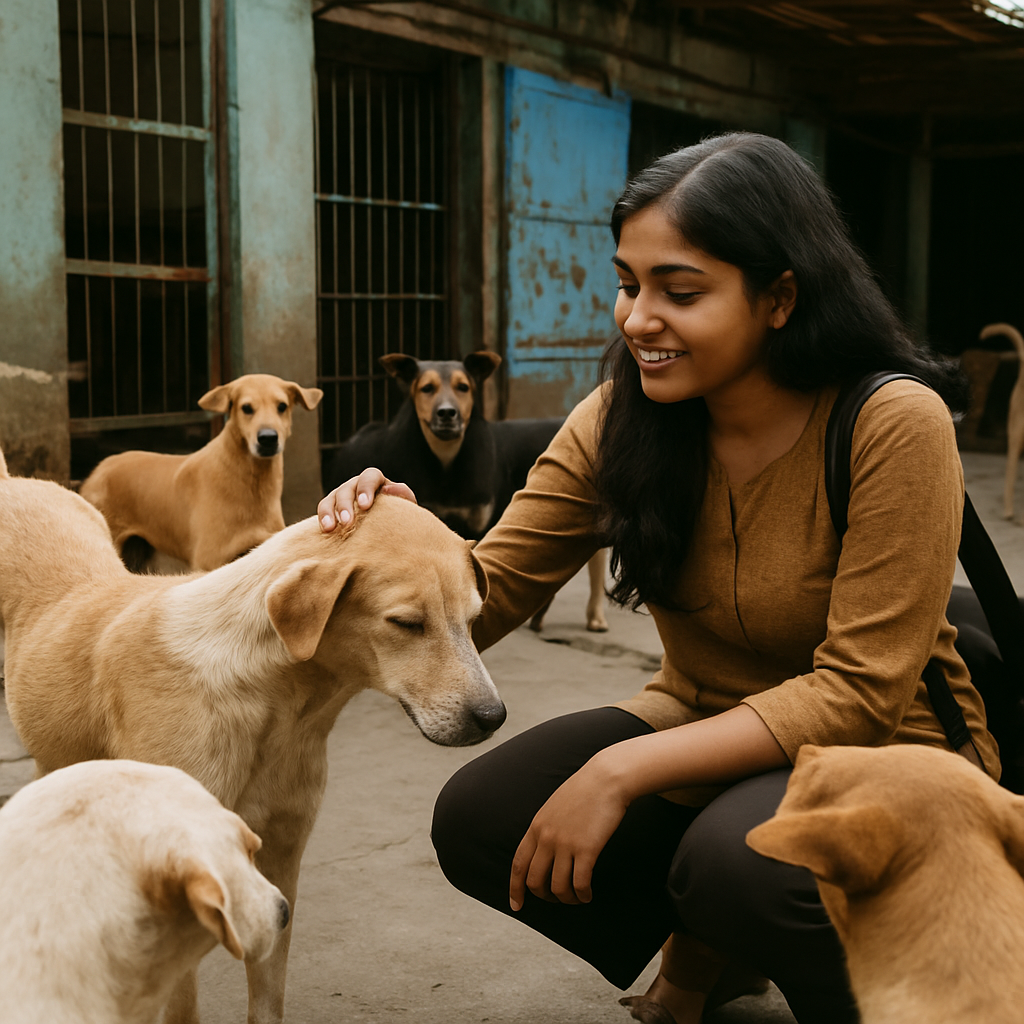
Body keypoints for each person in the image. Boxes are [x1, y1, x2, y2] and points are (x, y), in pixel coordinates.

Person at [317, 132, 997, 1024]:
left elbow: (861, 695)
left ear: (780, 297)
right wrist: (397, 544)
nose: (636, 318)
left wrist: (621, 770)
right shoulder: (619, 417)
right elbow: (487, 594)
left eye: (680, 291)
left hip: (893, 746)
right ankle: (723, 951)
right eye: (630, 284)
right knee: (483, 816)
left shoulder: (890, 421)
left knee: (742, 862)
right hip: (703, 712)